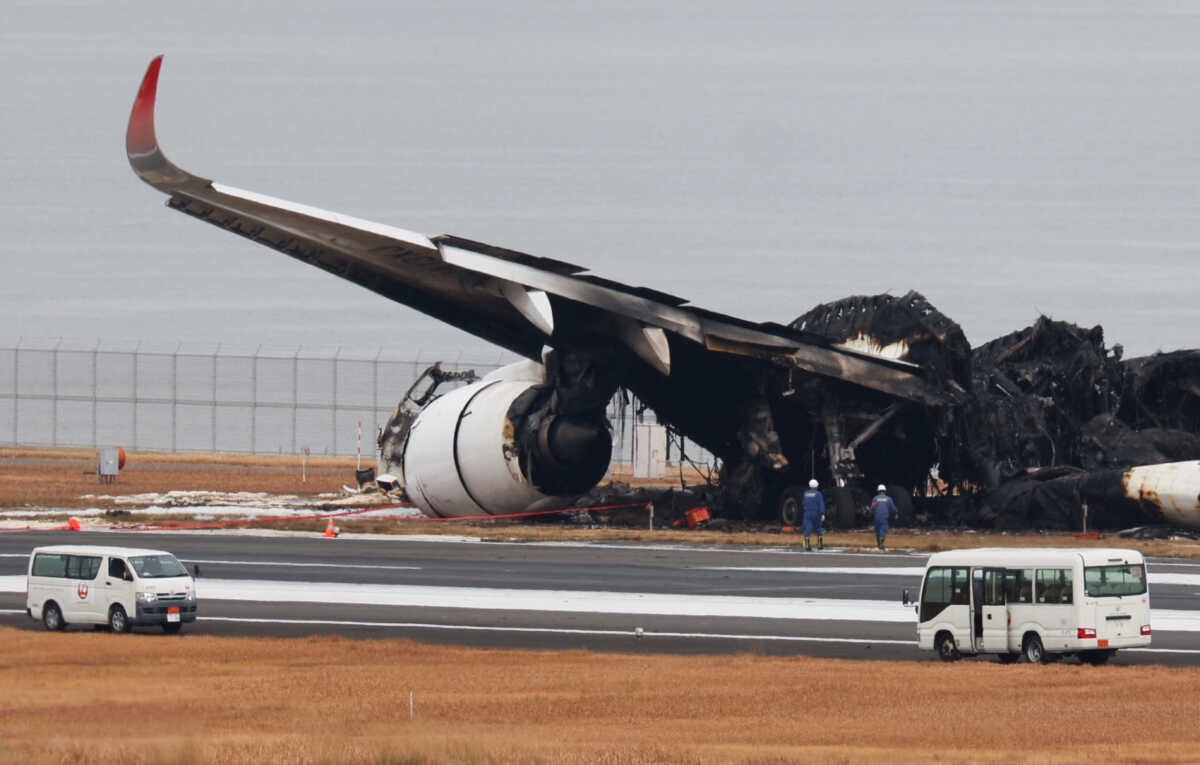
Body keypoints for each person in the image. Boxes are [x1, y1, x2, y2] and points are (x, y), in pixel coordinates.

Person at [801, 479, 826, 551]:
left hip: (807, 513)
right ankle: (820, 544)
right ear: (817, 486)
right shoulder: (818, 494)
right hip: (816, 513)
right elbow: (821, 504)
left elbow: (803, 504)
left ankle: (806, 545)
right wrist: (822, 513)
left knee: (808, 529)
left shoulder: (805, 493)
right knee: (818, 528)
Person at [871, 484, 897, 550]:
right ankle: (881, 545)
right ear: (885, 491)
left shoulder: (875, 499)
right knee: (883, 530)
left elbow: (872, 508)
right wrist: (896, 513)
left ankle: (878, 544)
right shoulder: (888, 499)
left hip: (877, 517)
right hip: (884, 517)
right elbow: (893, 508)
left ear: (878, 491)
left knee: (877, 530)